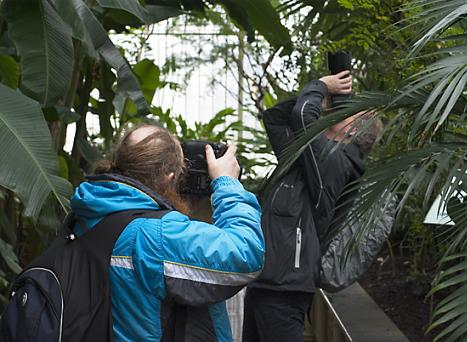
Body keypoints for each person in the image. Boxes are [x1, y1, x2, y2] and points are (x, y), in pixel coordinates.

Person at [70, 125, 265, 341]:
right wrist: (227, 184)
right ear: (169, 177)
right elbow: (245, 253)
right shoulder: (156, 236)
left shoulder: (88, 212)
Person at [242, 71, 382, 342]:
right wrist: (323, 100)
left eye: (347, 112)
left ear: (353, 130)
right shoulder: (308, 160)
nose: (337, 113)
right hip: (269, 281)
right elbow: (275, 117)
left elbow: (303, 117)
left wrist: (320, 88)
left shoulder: (337, 163)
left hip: (285, 286)